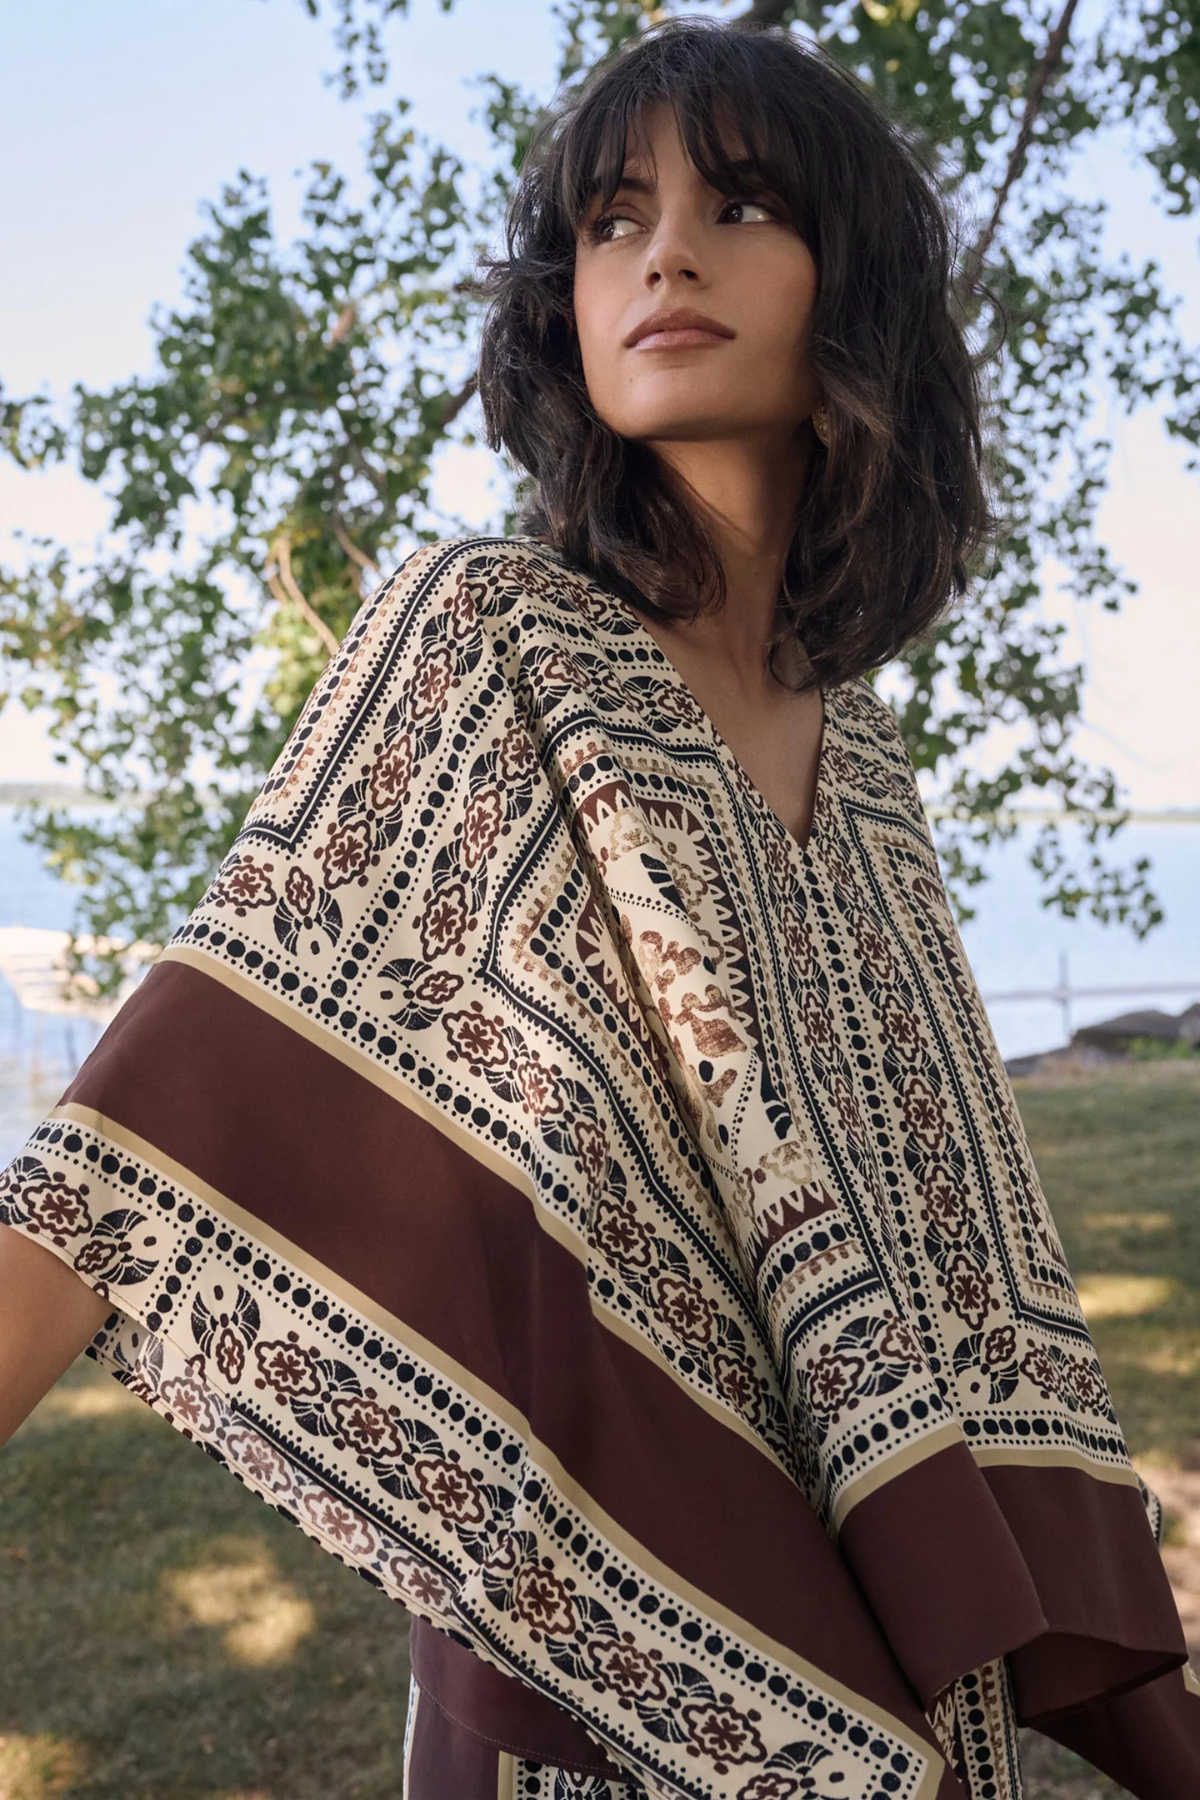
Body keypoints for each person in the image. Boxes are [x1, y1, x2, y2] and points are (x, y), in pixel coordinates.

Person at [1, 18, 1197, 1800]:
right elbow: (169, 1125)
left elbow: (972, 1276)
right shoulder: (484, 635)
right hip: (587, 1679)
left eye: (743, 202)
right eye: (613, 216)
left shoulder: (861, 763)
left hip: (901, 1672)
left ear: (847, 278)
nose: (665, 251)